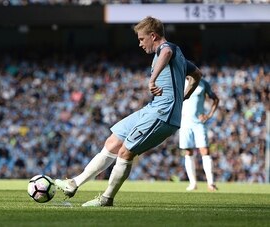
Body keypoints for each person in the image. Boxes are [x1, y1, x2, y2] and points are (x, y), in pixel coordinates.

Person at [55, 16, 202, 207]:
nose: (140, 44)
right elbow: (196, 74)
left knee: (125, 152)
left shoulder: (168, 49)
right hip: (152, 108)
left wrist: (152, 80)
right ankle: (74, 183)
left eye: (142, 39)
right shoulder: (179, 56)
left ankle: (106, 198)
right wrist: (186, 94)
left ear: (153, 36)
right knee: (113, 141)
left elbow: (165, 52)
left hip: (162, 113)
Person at [179, 76, 219, 191]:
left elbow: (215, 99)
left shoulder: (203, 84)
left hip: (198, 123)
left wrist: (209, 115)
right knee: (188, 151)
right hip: (185, 123)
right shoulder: (180, 82)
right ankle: (193, 183)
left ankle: (211, 183)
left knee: (205, 150)